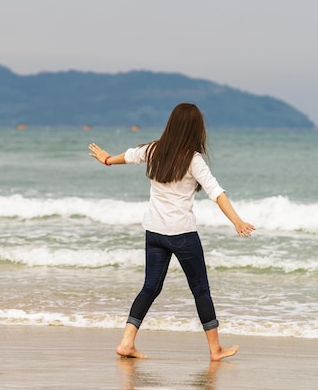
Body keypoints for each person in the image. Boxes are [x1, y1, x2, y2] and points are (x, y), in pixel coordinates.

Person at [88, 102, 255, 361]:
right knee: (200, 289)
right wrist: (236, 220)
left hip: (154, 231)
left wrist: (108, 160)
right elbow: (216, 191)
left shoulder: (154, 150)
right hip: (182, 234)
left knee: (150, 287)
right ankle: (215, 349)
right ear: (195, 129)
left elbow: (131, 155)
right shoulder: (193, 159)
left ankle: (126, 342)